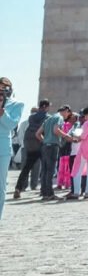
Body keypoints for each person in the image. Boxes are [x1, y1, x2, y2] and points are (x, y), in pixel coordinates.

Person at [0, 77, 24, 222]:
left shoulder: (17, 105)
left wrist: (3, 113)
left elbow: (11, 125)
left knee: (0, 185)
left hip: (2, 148)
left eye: (4, 89)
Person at [14, 98, 50, 195]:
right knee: (45, 168)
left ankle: (18, 188)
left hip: (30, 144)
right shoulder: (48, 117)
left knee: (26, 168)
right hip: (41, 143)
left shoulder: (31, 117)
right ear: (45, 107)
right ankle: (44, 190)